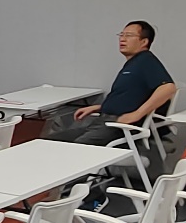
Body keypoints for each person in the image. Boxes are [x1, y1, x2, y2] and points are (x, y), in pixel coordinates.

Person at [46, 20, 176, 146]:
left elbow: (168, 88)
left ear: (144, 42)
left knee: (75, 148)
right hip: (104, 121)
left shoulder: (146, 61)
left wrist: (136, 114)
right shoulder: (134, 64)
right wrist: (99, 107)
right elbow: (130, 97)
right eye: (121, 35)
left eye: (129, 35)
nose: (122, 39)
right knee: (48, 142)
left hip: (118, 125)